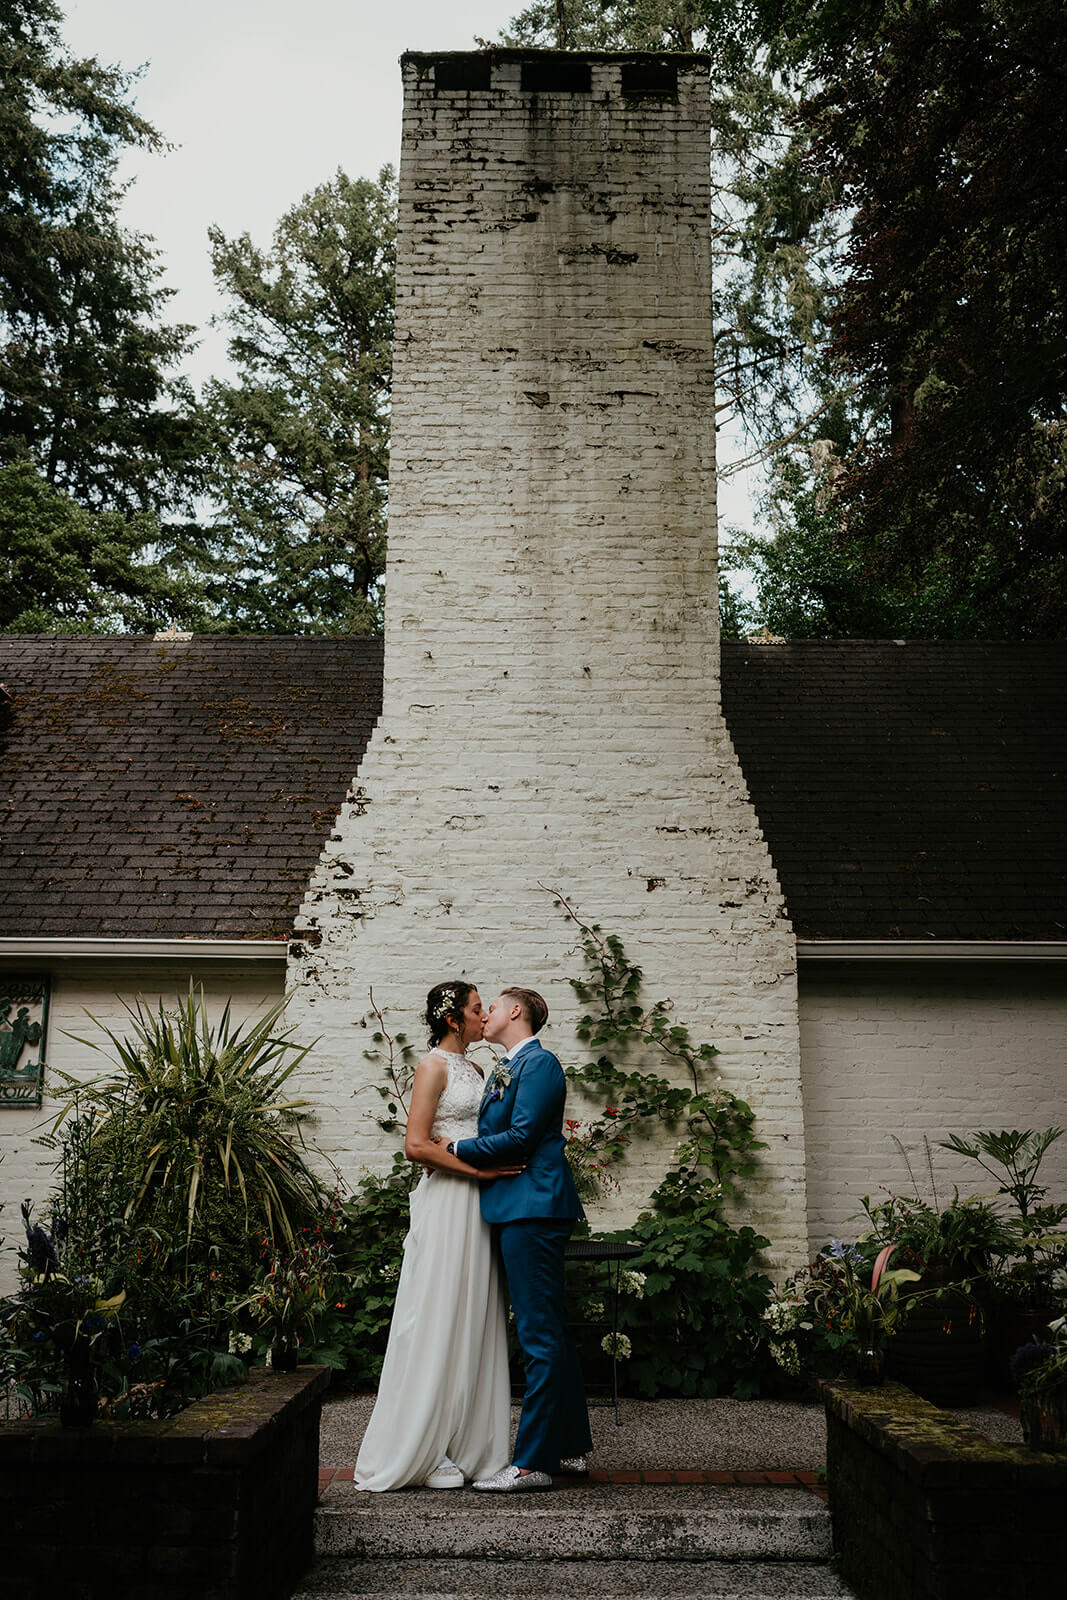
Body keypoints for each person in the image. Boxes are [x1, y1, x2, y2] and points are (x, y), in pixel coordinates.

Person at [354, 981, 521, 1491]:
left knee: (476, 1313)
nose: (482, 1016)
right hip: (449, 1199)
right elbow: (415, 1145)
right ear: (453, 1020)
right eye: (476, 1009)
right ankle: (428, 1447)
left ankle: (474, 1442)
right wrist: (480, 1173)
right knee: (438, 1311)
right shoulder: (432, 1067)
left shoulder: (477, 1069)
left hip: (480, 1205)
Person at [448, 986, 593, 1492]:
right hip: (518, 1206)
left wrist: (454, 1146)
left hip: (533, 1205)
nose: (483, 1015)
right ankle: (569, 1447)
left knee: (538, 1334)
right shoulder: (508, 1066)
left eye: (492, 1007)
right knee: (549, 1327)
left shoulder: (541, 1064)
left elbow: (523, 1136)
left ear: (515, 1012)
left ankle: (531, 1463)